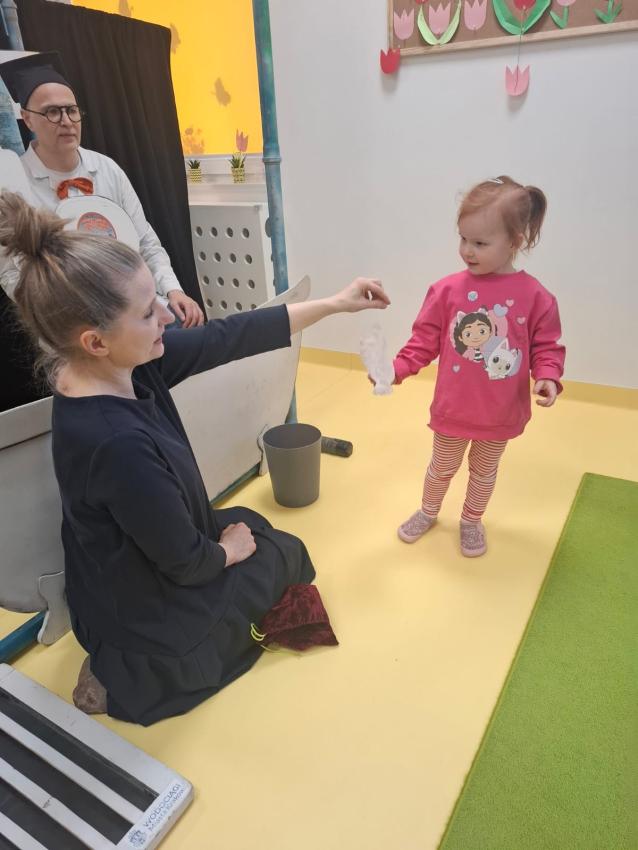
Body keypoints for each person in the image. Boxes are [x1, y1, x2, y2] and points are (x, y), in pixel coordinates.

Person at [0, 191, 388, 725]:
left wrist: (335, 304)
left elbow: (231, 336)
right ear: (95, 341)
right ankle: (117, 678)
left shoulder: (119, 366)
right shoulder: (115, 442)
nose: (167, 315)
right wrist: (226, 552)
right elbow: (184, 563)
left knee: (258, 530)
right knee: (282, 553)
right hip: (145, 605)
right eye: (147, 312)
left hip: (131, 565)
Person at [384, 176, 565, 557]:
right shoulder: (446, 290)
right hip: (454, 408)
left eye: (480, 243)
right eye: (463, 238)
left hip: (499, 413)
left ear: (515, 242)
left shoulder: (536, 297)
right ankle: (428, 511)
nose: (467, 250)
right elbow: (424, 339)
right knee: (441, 467)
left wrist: (548, 376)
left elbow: (547, 345)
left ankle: (471, 520)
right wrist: (397, 368)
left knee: (484, 472)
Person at [0, 52, 204, 327]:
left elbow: (145, 240)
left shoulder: (106, 169)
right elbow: (11, 273)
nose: (66, 121)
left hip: (133, 304)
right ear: (27, 119)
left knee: (195, 332)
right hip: (72, 323)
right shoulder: (14, 185)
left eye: (72, 110)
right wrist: (58, 320)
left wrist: (173, 290)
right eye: (52, 112)